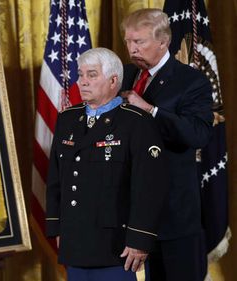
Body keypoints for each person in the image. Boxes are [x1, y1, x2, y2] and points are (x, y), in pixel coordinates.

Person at [45, 47, 168, 281]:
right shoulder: (67, 119)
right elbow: (56, 179)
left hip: (120, 248)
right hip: (76, 244)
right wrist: (58, 228)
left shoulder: (136, 122)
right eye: (80, 75)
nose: (82, 82)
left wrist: (140, 240)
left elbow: (149, 188)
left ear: (113, 81)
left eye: (91, 75)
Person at [120, 8, 214, 281]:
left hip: (174, 218)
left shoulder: (190, 80)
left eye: (140, 42)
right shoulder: (125, 75)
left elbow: (198, 135)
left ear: (163, 42)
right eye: (128, 41)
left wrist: (151, 111)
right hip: (132, 216)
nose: (132, 48)